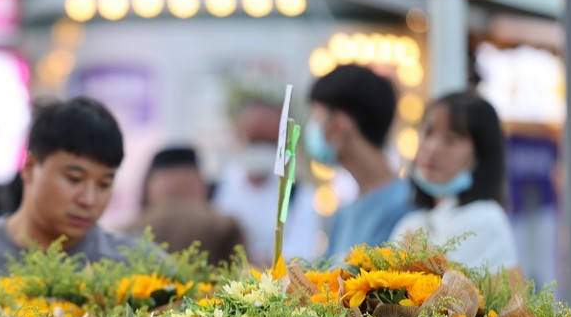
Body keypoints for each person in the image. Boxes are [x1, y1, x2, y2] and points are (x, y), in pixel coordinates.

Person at [0, 97, 138, 280]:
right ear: (30, 167)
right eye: (74, 178)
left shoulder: (139, 269)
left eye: (104, 184)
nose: (89, 199)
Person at [390, 92, 518, 270]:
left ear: (481, 155)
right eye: (428, 132)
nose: (432, 148)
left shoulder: (485, 218)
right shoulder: (411, 222)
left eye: (451, 139)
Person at [304, 64, 411, 261]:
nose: (312, 130)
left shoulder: (406, 206)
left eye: (317, 118)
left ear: (340, 124)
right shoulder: (344, 213)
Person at [213, 97, 321, 265]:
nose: (261, 148)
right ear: (239, 134)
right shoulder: (217, 190)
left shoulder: (300, 198)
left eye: (269, 140)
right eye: (255, 139)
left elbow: (298, 261)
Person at [126, 146, 244, 264]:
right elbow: (242, 273)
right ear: (201, 185)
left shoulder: (127, 231)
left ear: (149, 188)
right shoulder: (224, 225)